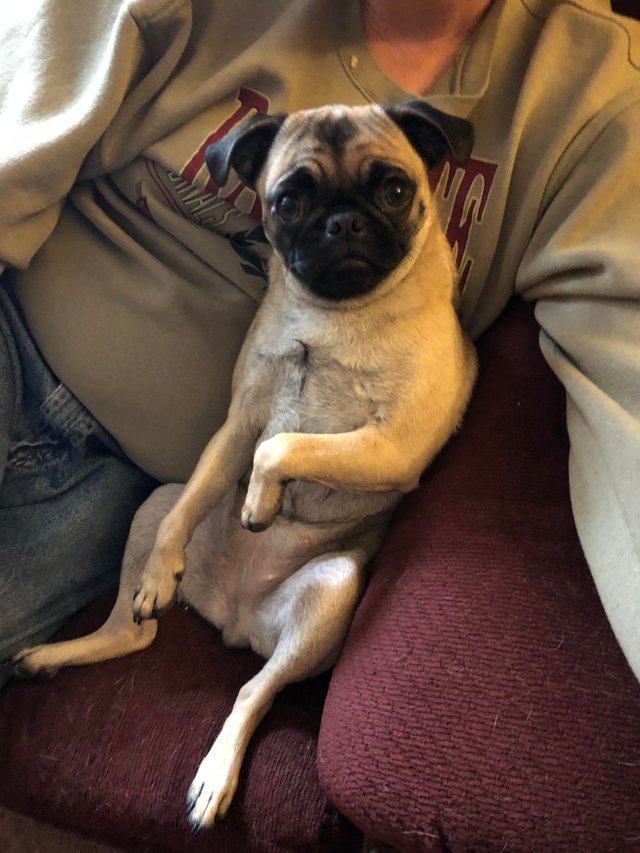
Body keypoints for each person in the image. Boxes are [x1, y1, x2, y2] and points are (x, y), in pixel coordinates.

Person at [0, 0, 638, 689]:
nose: (342, 226)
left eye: (389, 191)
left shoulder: (597, 95)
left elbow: (625, 393)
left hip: (133, 493)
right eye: (298, 203)